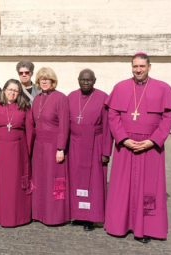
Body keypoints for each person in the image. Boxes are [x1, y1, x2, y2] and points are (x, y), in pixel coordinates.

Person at [104, 52, 171, 243]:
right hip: (125, 146)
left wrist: (154, 140)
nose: (138, 70)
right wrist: (122, 138)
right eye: (135, 66)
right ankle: (120, 225)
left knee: (149, 188)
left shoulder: (163, 88)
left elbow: (168, 117)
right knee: (122, 187)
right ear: (132, 67)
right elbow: (112, 115)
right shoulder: (120, 87)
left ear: (149, 67)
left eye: (142, 67)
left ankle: (146, 228)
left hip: (151, 147)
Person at [67, 69, 112, 231]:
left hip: (95, 144)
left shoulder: (103, 97)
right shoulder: (71, 97)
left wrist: (106, 152)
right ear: (78, 80)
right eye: (83, 80)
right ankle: (78, 214)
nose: (86, 82)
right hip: (74, 144)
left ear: (95, 80)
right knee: (75, 179)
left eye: (89, 80)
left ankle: (91, 218)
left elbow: (108, 126)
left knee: (94, 182)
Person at [31, 67, 70, 225]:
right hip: (38, 146)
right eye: (42, 79)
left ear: (53, 81)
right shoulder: (37, 99)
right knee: (39, 180)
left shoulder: (60, 98)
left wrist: (61, 148)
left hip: (54, 146)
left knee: (54, 181)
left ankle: (55, 216)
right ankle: (39, 214)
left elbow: (64, 126)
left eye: (47, 79)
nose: (44, 81)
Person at [0, 79, 34, 227]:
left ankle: (18, 217)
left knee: (16, 184)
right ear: (4, 90)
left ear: (19, 93)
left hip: (18, 151)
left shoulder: (25, 107)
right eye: (10, 89)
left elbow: (30, 131)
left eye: (16, 91)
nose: (12, 93)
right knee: (1, 184)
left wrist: (28, 152)